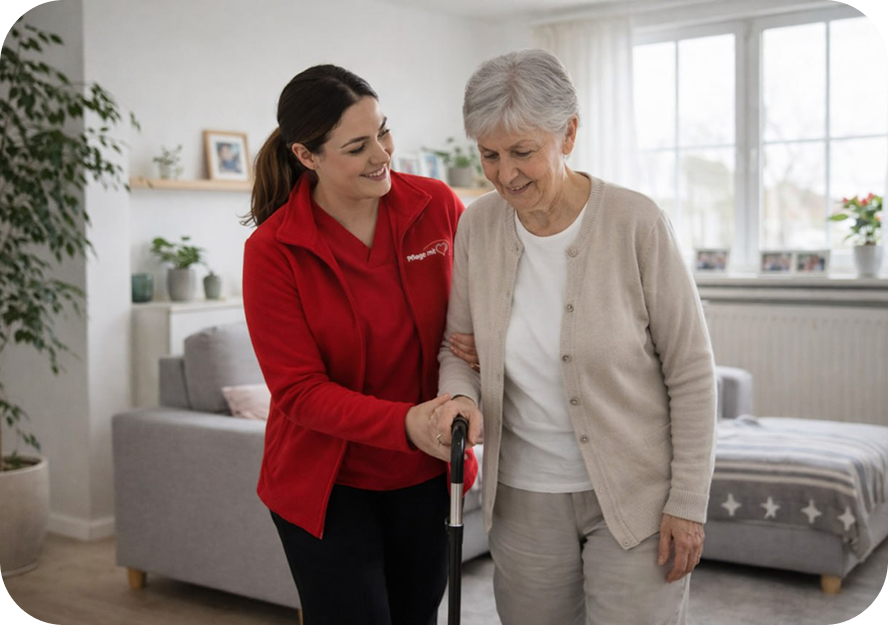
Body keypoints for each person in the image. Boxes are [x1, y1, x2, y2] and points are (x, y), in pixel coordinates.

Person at [433, 49, 718, 625]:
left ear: (568, 134)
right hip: (524, 497)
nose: (505, 173)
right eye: (489, 155)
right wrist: (460, 394)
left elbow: (690, 371)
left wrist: (687, 502)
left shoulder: (635, 222)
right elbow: (458, 349)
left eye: (522, 152)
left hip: (636, 496)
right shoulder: (478, 225)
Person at [241, 64, 480, 625]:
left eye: (383, 131)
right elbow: (298, 392)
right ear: (306, 156)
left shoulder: (436, 206)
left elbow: (477, 316)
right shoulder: (274, 251)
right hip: (328, 487)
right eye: (357, 146)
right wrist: (405, 424)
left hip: (426, 476)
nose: (382, 154)